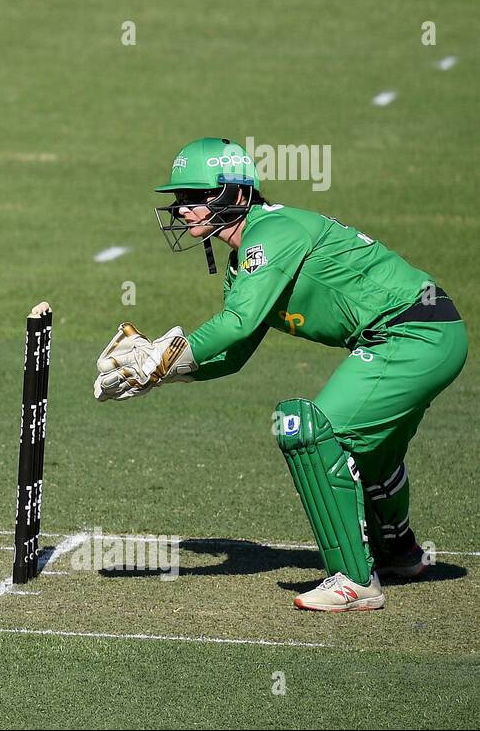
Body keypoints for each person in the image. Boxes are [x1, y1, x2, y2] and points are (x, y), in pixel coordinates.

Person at [94, 137, 467, 611]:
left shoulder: (272, 233)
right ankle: (400, 553)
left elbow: (237, 324)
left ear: (239, 195)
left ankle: (354, 580)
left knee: (308, 428)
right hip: (421, 335)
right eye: (179, 198)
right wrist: (160, 375)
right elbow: (234, 353)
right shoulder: (248, 255)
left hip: (412, 334)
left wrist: (161, 355)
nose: (183, 208)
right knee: (371, 450)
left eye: (196, 196)